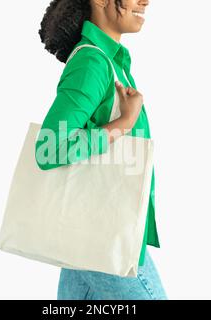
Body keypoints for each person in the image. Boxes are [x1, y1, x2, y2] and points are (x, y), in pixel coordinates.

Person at [36, 0, 167, 300]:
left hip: (94, 230)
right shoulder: (92, 64)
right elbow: (48, 148)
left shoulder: (112, 63)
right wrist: (124, 122)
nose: (145, 1)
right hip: (103, 236)